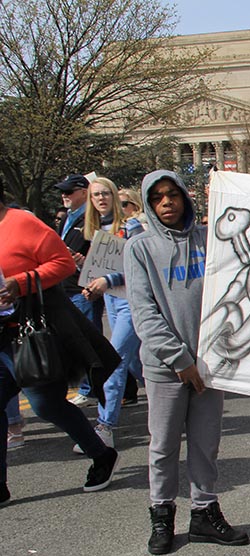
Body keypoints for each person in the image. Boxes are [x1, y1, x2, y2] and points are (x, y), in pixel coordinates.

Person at [125, 170, 249, 554]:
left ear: (185, 198)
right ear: (149, 202)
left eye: (173, 195)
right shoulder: (140, 248)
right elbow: (144, 314)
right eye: (158, 197)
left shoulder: (209, 240)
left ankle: (204, 512)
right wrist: (180, 360)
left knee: (205, 443)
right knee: (163, 446)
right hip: (167, 368)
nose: (167, 203)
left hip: (211, 363)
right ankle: (162, 515)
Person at [1, 184, 121, 506]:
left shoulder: (22, 223)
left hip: (30, 332)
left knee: (46, 406)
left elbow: (64, 264)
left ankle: (101, 454)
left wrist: (20, 283)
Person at [71, 177, 145, 452]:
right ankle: (179, 399)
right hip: (113, 302)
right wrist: (91, 280)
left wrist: (108, 280)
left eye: (105, 193)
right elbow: (101, 271)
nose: (101, 198)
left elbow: (140, 266)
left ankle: (105, 426)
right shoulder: (93, 230)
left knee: (113, 361)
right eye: (95, 195)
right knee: (136, 364)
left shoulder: (131, 226)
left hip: (132, 301)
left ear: (114, 195)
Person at [55, 173, 104, 407]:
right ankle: (121, 385)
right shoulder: (67, 218)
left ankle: (90, 388)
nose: (64, 195)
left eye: (69, 191)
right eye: (63, 191)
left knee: (87, 340)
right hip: (67, 286)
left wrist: (83, 261)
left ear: (84, 192)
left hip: (84, 288)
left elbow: (99, 251)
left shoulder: (90, 217)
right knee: (78, 340)